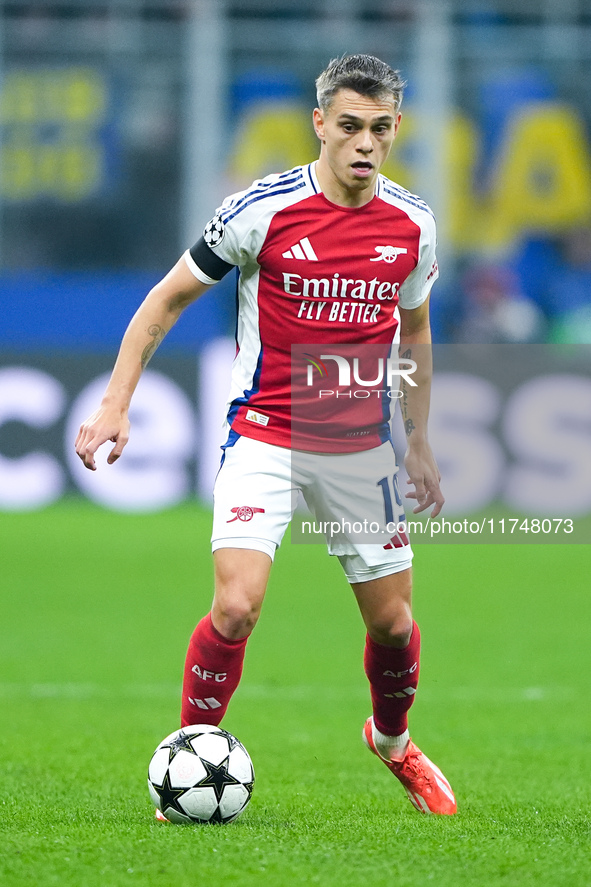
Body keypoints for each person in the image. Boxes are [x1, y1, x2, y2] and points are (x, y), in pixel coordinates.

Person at [75, 54, 456, 816]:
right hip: (266, 435)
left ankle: (391, 742)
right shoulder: (264, 209)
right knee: (236, 606)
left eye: (379, 130)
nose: (363, 144)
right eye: (349, 126)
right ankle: (190, 755)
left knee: (392, 622)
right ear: (319, 124)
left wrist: (416, 440)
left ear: (394, 131)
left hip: (360, 449)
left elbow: (413, 332)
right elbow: (165, 299)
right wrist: (117, 402)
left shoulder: (412, 224)